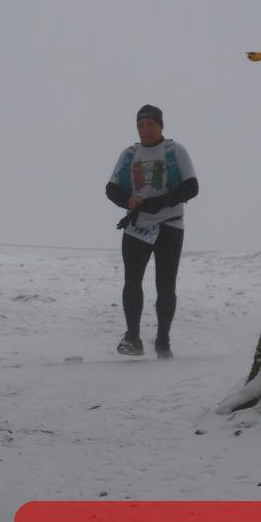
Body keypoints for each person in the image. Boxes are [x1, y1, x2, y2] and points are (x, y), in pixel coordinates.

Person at [105, 104, 199, 359]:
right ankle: (133, 337)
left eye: (150, 124)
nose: (145, 130)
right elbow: (111, 189)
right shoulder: (129, 154)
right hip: (137, 227)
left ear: (160, 126)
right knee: (132, 282)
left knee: (165, 285)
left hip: (170, 226)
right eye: (140, 126)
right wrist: (127, 201)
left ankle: (163, 341)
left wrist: (161, 202)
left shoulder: (175, 151)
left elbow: (192, 187)